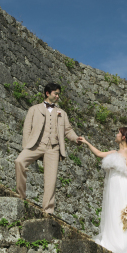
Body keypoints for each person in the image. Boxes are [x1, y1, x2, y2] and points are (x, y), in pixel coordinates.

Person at [15, 83, 82, 214]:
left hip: (53, 148)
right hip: (36, 145)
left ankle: (48, 210)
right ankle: (20, 195)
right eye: (55, 94)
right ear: (47, 93)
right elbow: (27, 128)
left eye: (58, 94)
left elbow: (68, 130)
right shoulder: (34, 109)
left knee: (51, 180)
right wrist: (26, 146)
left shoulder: (62, 113)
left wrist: (76, 138)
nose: (57, 96)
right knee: (19, 162)